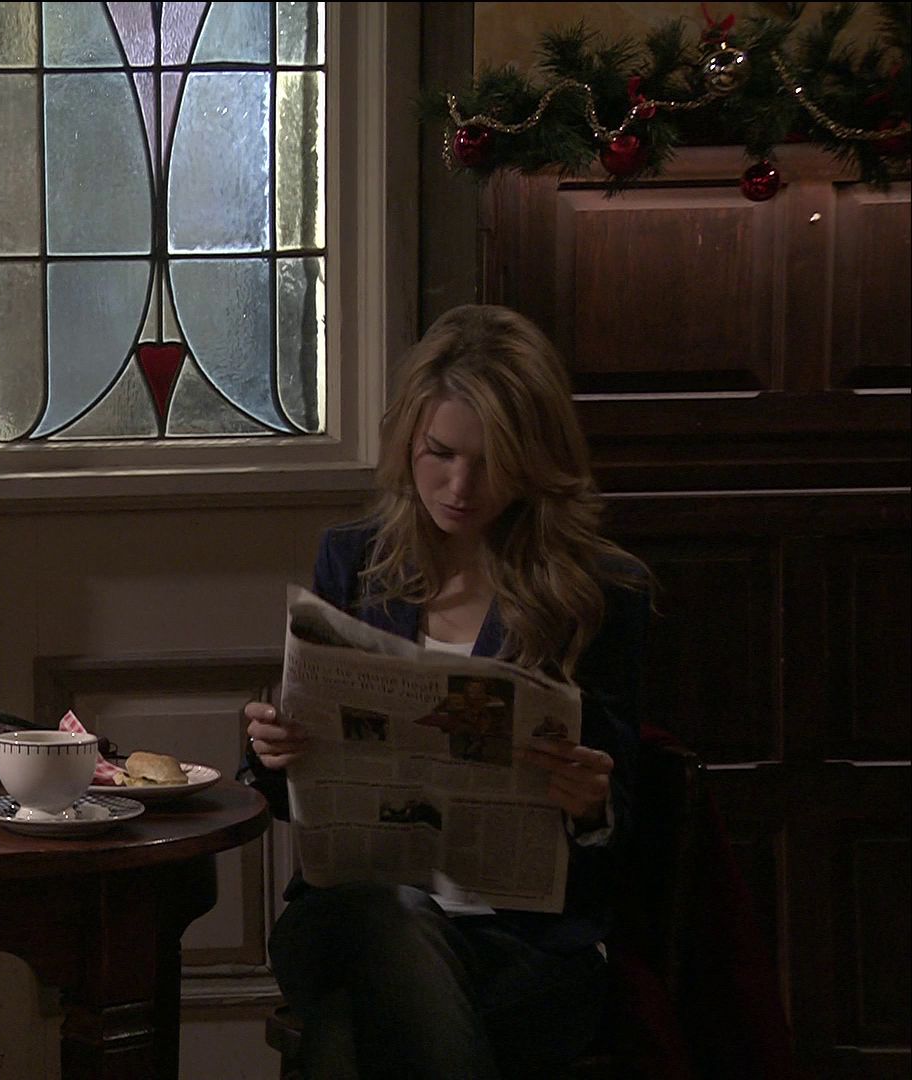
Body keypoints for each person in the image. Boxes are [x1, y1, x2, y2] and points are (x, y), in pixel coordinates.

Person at [240, 304, 652, 1078]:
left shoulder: (597, 592)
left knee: (347, 1037)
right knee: (389, 922)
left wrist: (592, 806)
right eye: (441, 453)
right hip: (353, 914)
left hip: (520, 945)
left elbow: (623, 824)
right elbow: (281, 786)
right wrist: (272, 748)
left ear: (535, 461)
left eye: (493, 462)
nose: (460, 486)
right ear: (409, 441)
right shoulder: (356, 561)